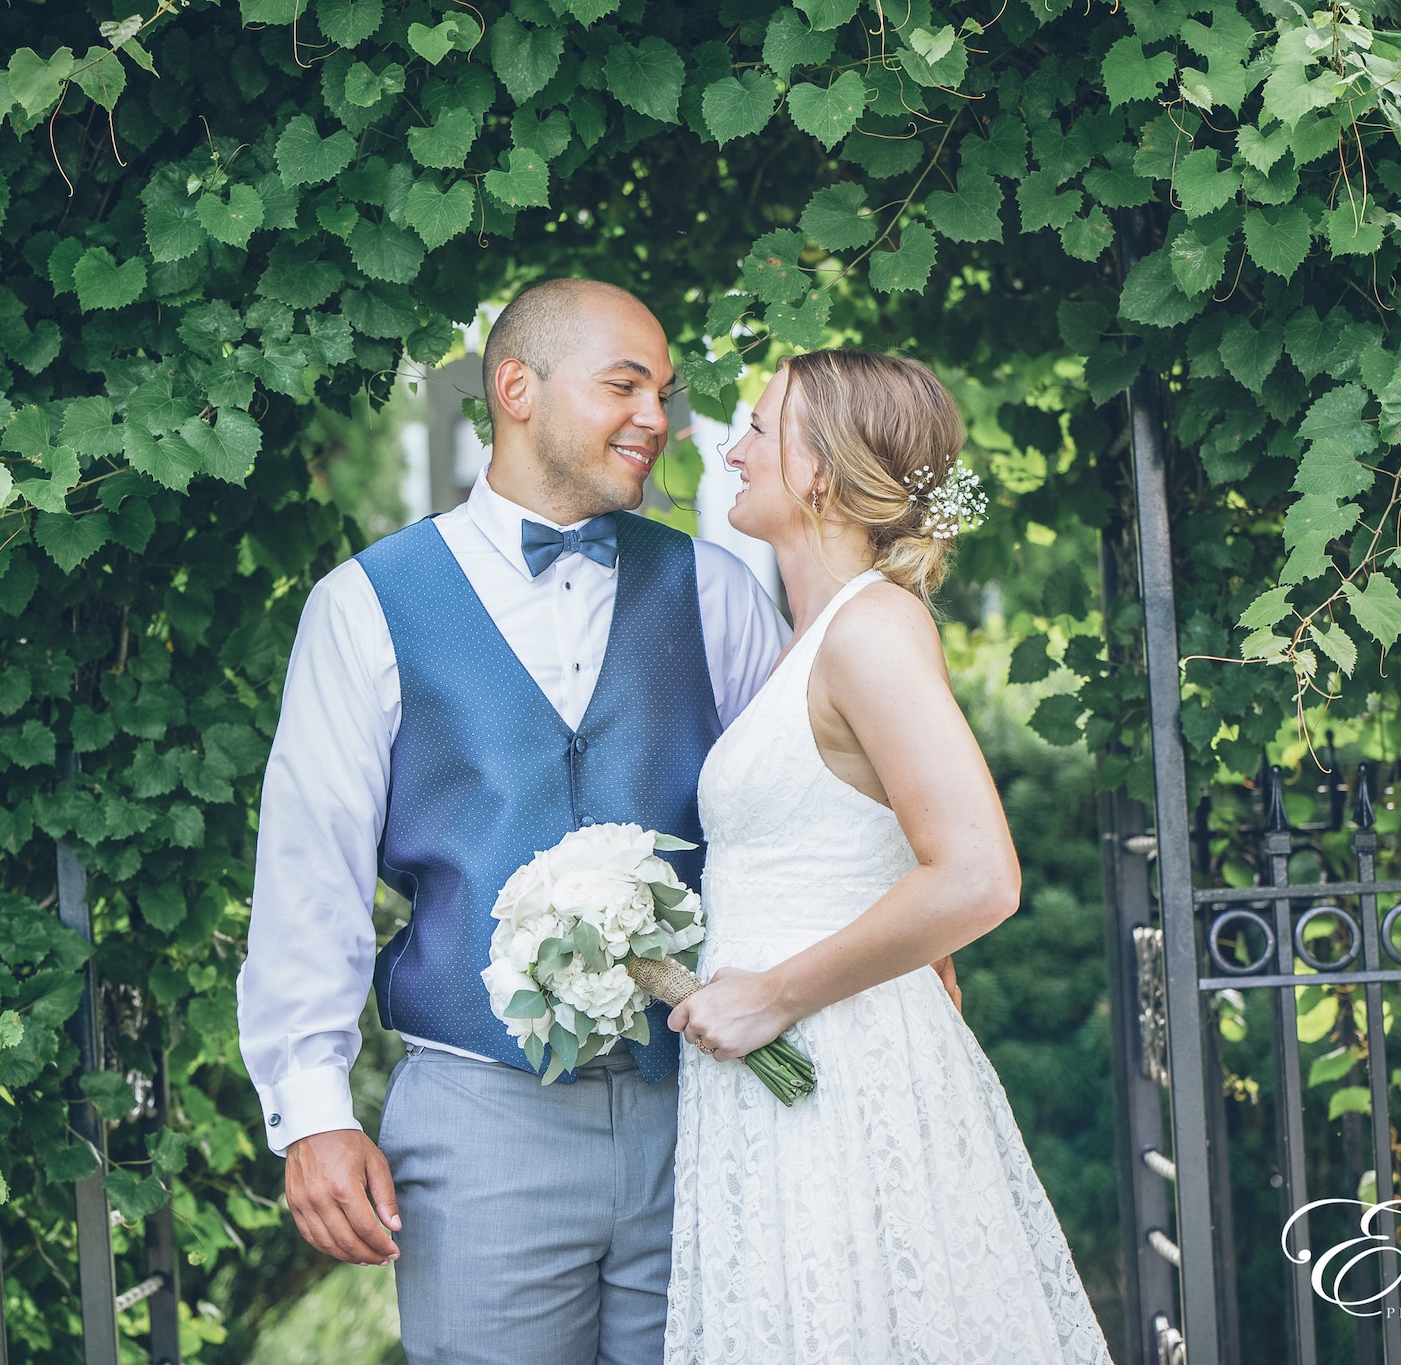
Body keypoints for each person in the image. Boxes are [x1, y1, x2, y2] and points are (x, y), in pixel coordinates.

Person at [235, 278, 790, 1365]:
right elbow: (313, 873)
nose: (654, 420)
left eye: (664, 395)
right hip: (479, 1119)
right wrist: (312, 1112)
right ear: (515, 388)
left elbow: (791, 822)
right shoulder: (363, 605)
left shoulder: (715, 591)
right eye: (623, 386)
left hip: (704, 1110)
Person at [663, 350, 1115, 1365]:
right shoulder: (817, 633)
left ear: (819, 470)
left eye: (758, 427)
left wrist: (770, 996)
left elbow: (976, 876)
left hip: (828, 1065)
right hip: (792, 1069)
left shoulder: (870, 629)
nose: (732, 452)